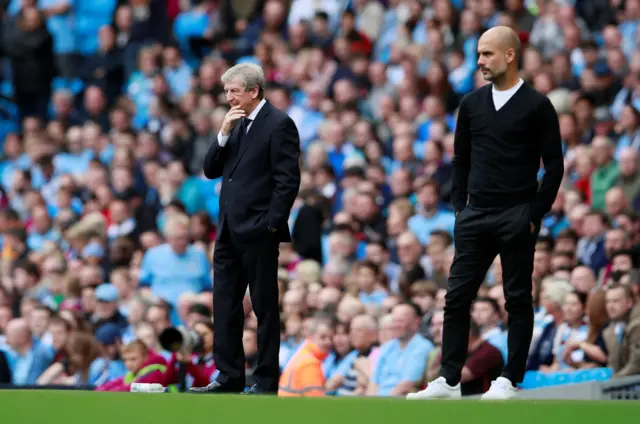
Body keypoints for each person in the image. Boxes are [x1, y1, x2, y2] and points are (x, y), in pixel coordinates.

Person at [409, 26, 564, 401]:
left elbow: (555, 166)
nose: (480, 61)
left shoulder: (537, 105)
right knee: (456, 298)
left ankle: (510, 379)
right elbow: (460, 159)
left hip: (516, 214)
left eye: (487, 54)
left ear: (510, 55)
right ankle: (448, 379)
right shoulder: (471, 104)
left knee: (516, 299)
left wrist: (534, 213)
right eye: (479, 54)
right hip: (474, 215)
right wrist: (460, 208)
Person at [191, 63, 301, 395]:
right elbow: (210, 169)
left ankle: (266, 381)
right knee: (224, 305)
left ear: (254, 91)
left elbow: (287, 182)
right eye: (226, 91)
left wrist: (270, 225)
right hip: (226, 231)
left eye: (234, 91)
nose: (228, 97)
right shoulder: (235, 124)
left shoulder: (279, 124)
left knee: (265, 307)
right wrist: (222, 134)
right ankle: (228, 377)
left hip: (258, 232)